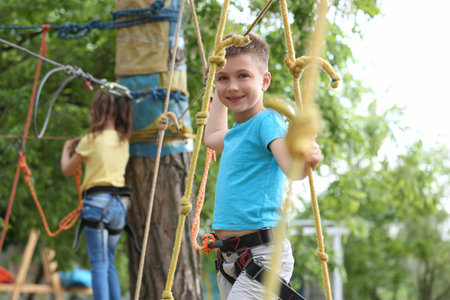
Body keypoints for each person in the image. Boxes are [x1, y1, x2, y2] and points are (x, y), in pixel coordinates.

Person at [204, 32, 321, 300]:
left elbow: (293, 169)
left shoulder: (267, 121)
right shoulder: (237, 132)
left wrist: (309, 157)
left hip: (263, 254)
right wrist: (214, 88)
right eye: (224, 78)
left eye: (243, 76)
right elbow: (211, 137)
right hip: (230, 257)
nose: (232, 86)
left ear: (264, 80)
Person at [60, 90, 132, 300]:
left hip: (97, 205)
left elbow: (67, 170)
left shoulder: (90, 140)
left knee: (99, 263)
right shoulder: (123, 139)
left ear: (98, 111)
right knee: (108, 260)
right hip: (119, 206)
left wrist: (66, 149)